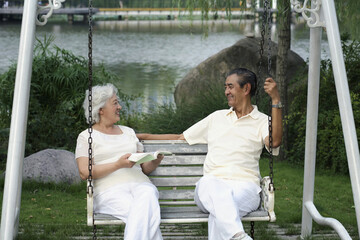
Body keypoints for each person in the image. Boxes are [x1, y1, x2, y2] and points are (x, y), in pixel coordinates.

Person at [137, 68, 283, 240]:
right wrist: (140, 136)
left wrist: (275, 100)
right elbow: (181, 137)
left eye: (230, 87)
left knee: (220, 214)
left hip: (245, 188)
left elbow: (274, 142)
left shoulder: (262, 121)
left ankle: (237, 235)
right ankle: (238, 236)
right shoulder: (217, 118)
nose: (226, 91)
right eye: (225, 87)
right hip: (210, 187)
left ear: (246, 89)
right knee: (211, 185)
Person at [75, 83, 163, 240]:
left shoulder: (128, 132)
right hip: (109, 191)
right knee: (144, 216)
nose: (120, 107)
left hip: (141, 184)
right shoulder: (86, 136)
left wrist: (155, 160)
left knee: (148, 194)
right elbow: (84, 172)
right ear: (100, 110)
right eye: (115, 103)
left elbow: (145, 168)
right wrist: (118, 165)